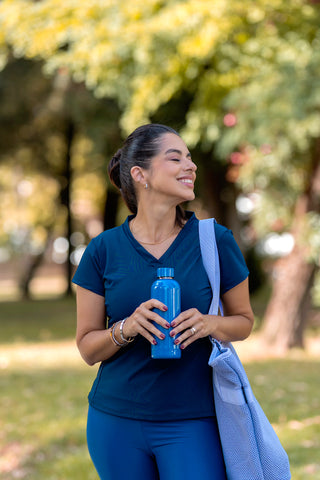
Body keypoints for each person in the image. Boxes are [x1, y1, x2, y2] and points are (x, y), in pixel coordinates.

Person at [72, 123, 254, 480]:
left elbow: (244, 321)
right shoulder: (102, 250)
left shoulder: (214, 240)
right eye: (176, 158)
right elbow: (87, 348)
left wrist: (210, 323)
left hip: (194, 419)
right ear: (140, 174)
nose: (191, 166)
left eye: (190, 158)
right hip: (115, 421)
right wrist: (126, 328)